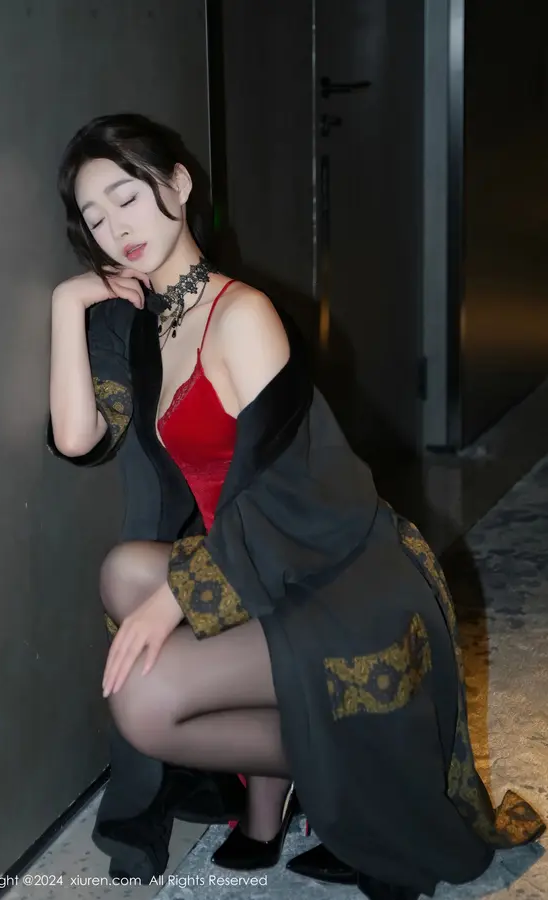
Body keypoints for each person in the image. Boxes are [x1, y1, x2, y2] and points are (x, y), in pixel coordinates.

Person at [47, 113, 544, 900]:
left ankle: (352, 777)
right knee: (121, 574)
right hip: (253, 566)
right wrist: (65, 304)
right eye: (96, 218)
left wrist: (176, 600)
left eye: (128, 198)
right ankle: (292, 783)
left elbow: (302, 497)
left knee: (143, 702)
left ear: (178, 184)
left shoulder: (241, 315)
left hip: (332, 574)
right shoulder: (141, 322)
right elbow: (77, 436)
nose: (118, 229)